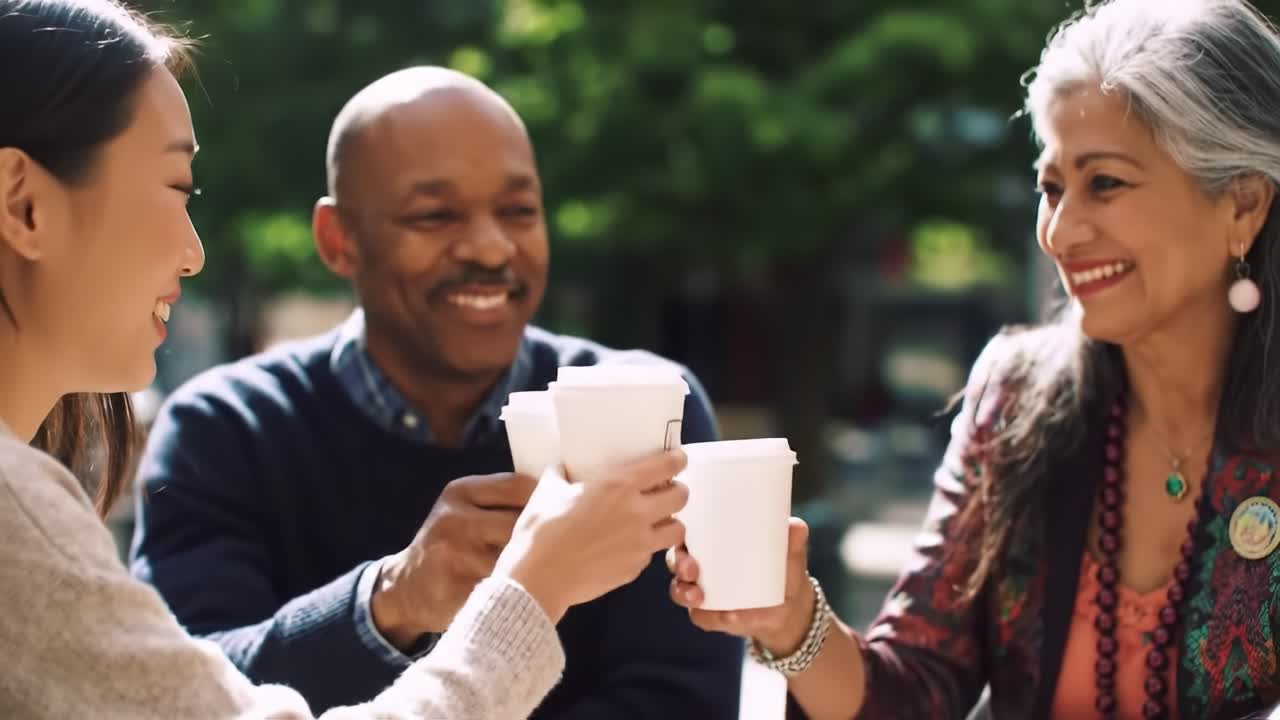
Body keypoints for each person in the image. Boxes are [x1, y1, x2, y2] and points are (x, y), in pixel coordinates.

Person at [0, 1, 690, 718]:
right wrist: (519, 592)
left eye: (519, 210)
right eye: (179, 188)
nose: (195, 252)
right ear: (24, 206)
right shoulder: (68, 486)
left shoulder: (652, 403)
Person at [670, 0, 1280, 718]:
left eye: (1104, 183)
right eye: (1050, 189)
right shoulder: (1017, 396)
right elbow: (913, 688)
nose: (1059, 231)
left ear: (1243, 204)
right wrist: (789, 618)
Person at [127, 66, 744, 716]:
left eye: (519, 211)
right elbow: (186, 696)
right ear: (339, 241)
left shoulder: (646, 413)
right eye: (435, 215)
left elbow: (683, 704)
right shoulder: (226, 428)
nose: (489, 246)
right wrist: (391, 601)